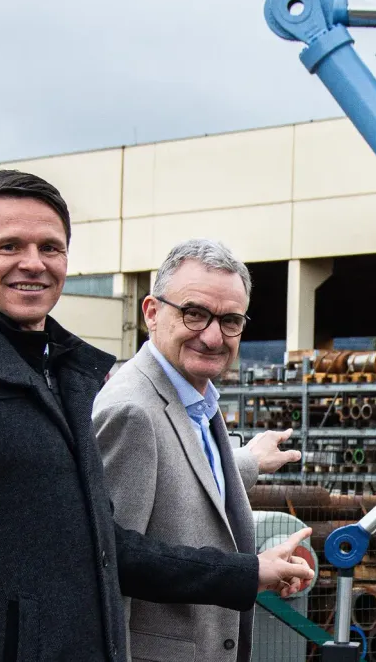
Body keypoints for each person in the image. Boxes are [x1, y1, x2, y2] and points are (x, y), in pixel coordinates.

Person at [0, 171, 313, 662]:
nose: (32, 263)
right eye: (9, 245)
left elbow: (106, 546)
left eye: (50, 248)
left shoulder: (64, 375)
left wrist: (245, 573)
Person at [93, 239, 303, 662]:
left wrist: (247, 461)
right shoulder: (131, 410)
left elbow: (186, 474)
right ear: (151, 312)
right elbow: (111, 560)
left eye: (230, 320)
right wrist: (249, 571)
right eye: (194, 314)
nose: (212, 336)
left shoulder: (194, 397)